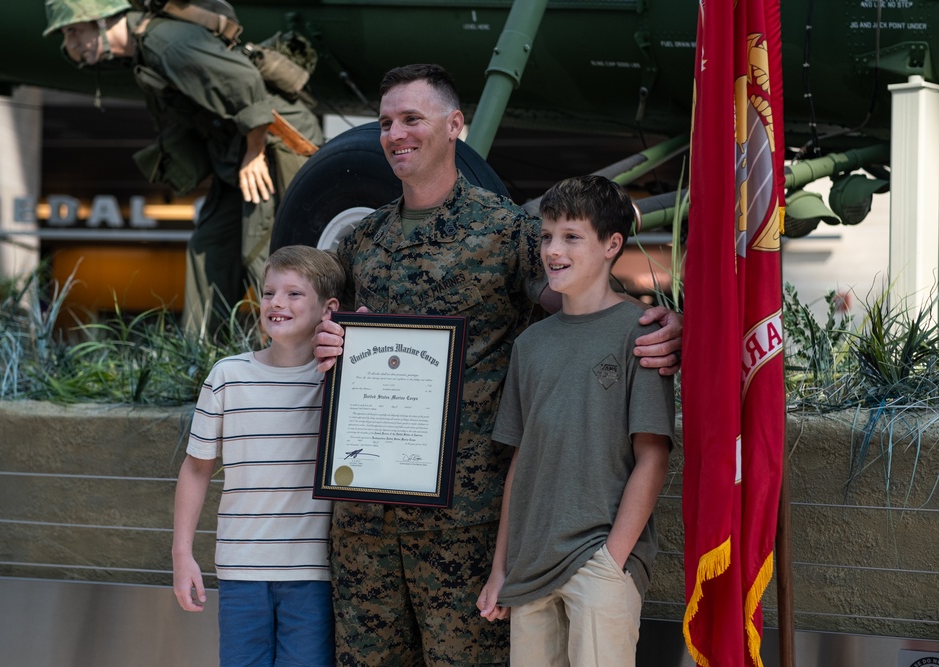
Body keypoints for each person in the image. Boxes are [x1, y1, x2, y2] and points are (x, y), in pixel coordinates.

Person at [312, 64, 683, 667]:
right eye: (384, 123)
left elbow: (588, 301)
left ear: (455, 125)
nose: (395, 133)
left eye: (413, 118)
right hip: (366, 523)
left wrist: (670, 322)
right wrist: (323, 340)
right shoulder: (360, 241)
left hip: (463, 529)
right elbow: (304, 317)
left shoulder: (508, 232)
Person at [475, 175, 675, 667]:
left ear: (612, 245)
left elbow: (653, 457)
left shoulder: (640, 332)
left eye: (571, 236)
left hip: (598, 559)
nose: (553, 250)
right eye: (546, 236)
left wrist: (613, 559)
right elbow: (522, 462)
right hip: (530, 566)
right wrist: (501, 569)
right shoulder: (531, 345)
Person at [43, 0, 324, 336]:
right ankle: (200, 358)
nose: (69, 44)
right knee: (209, 247)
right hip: (238, 154)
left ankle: (302, 361)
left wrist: (253, 154)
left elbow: (246, 83)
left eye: (74, 30)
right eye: (65, 34)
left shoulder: (168, 44)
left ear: (105, 21)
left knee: (262, 255)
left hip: (272, 145)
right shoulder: (145, 50)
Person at [172, 244, 344, 667]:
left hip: (312, 574)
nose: (277, 303)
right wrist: (181, 554)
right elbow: (196, 470)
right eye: (268, 293)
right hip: (241, 570)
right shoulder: (227, 376)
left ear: (329, 308)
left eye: (293, 293)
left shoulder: (342, 382)